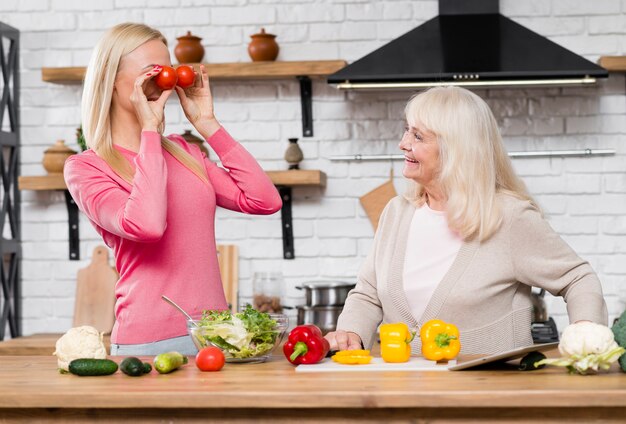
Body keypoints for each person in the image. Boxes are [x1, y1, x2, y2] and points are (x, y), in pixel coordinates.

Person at [325, 86, 608, 355]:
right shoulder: (397, 212)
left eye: (418, 136)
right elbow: (368, 293)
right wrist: (352, 331)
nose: (403, 144)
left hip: (489, 393)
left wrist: (586, 333)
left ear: (455, 150)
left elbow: (577, 278)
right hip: (402, 389)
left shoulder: (508, 216)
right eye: (406, 131)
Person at [64, 23, 282, 356]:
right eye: (152, 71)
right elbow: (147, 225)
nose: (165, 78)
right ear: (110, 80)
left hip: (215, 336)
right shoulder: (87, 168)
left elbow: (264, 200)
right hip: (148, 342)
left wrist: (208, 124)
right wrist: (150, 132)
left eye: (167, 68)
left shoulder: (184, 151)